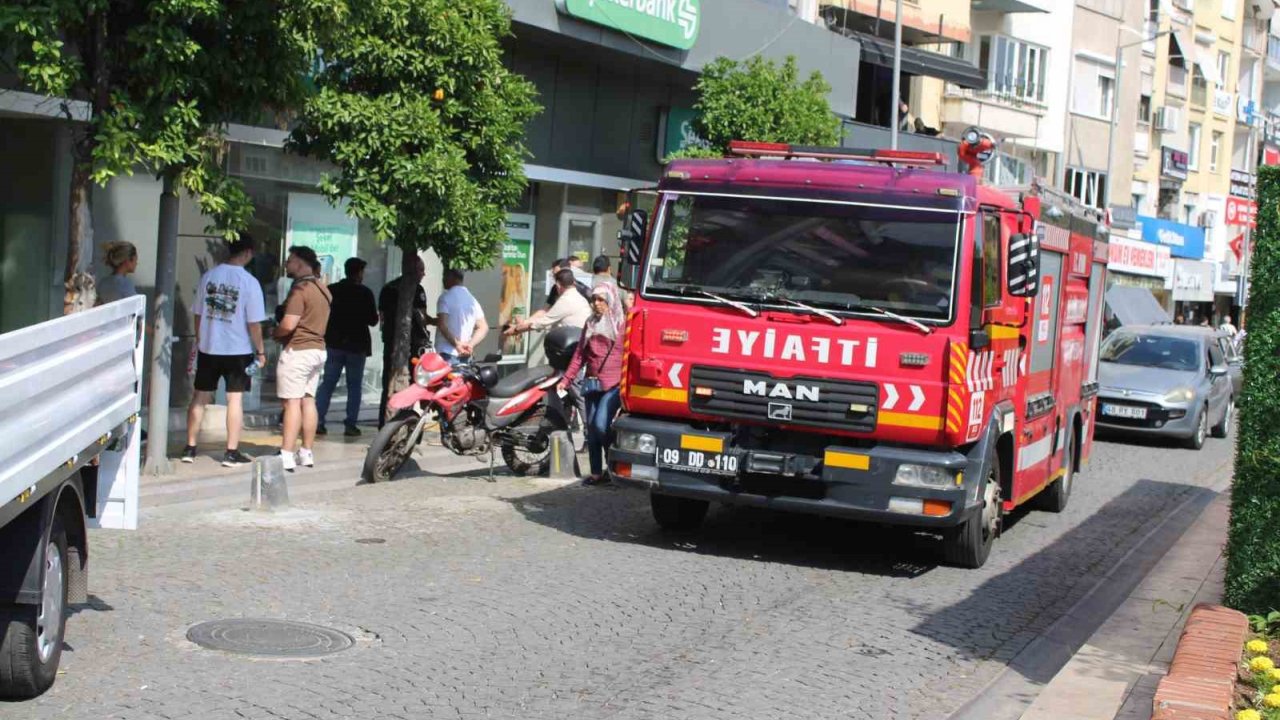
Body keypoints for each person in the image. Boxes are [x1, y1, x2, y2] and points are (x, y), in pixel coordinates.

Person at [182, 233, 268, 467]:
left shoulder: (209, 276)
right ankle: (231, 452)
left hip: (209, 347)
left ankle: (190, 447)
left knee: (199, 396)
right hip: (237, 350)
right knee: (234, 400)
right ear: (248, 253)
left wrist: (201, 339)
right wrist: (261, 351)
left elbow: (198, 314)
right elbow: (254, 323)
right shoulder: (249, 282)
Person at [560, 283, 625, 486]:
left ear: (610, 301)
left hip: (613, 385)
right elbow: (580, 355)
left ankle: (613, 466)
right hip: (591, 383)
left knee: (600, 425)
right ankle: (597, 473)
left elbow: (626, 356)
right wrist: (566, 379)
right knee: (591, 428)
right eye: (594, 299)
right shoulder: (590, 324)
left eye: (601, 299)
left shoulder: (621, 325)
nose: (596, 303)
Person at [274, 246, 332, 471]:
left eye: (289, 260)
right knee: (308, 400)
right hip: (317, 350)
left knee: (291, 403)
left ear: (299, 262)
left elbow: (289, 324)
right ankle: (306, 452)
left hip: (298, 351)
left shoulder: (300, 290)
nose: (287, 264)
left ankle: (286, 454)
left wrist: (275, 332)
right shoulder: (323, 288)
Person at [316, 257, 378, 437]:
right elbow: (373, 320)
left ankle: (318, 421)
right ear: (359, 273)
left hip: (334, 343)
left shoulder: (332, 290)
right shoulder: (365, 293)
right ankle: (350, 424)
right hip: (356, 346)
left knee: (328, 383)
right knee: (354, 386)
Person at [378, 255, 430, 426]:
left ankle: (384, 423)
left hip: (390, 342)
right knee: (413, 384)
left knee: (389, 382)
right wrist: (436, 322)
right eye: (421, 270)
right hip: (412, 344)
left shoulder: (387, 288)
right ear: (412, 270)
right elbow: (422, 317)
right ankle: (405, 422)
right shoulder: (417, 289)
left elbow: (382, 317)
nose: (423, 274)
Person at [505, 269, 591, 337]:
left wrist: (516, 329)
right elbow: (546, 312)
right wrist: (523, 323)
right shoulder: (577, 296)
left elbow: (544, 321)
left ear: (558, 284)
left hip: (573, 342)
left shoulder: (566, 300)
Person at [434, 268, 488, 365]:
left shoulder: (445, 297)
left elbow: (442, 325)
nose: (443, 279)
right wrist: (470, 345)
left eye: (444, 276)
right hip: (465, 355)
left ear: (452, 277)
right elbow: (483, 327)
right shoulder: (472, 300)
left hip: (446, 353)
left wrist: (457, 344)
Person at [97, 241, 139, 305]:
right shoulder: (126, 284)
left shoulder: (103, 282)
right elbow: (136, 306)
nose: (136, 263)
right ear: (127, 261)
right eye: (135, 260)